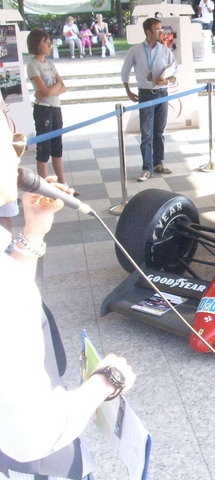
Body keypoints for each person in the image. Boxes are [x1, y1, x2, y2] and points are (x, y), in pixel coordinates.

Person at [0, 105, 136, 479]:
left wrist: (32, 234)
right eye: (8, 137)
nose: (20, 146)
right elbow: (32, 437)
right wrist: (106, 382)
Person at [121, 17, 177, 182]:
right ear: (148, 32)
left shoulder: (165, 51)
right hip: (145, 93)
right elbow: (125, 72)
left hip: (162, 93)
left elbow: (175, 74)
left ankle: (158, 162)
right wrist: (129, 92)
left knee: (159, 131)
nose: (161, 32)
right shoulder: (136, 50)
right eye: (158, 29)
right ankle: (147, 167)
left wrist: (165, 81)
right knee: (146, 133)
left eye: (161, 29)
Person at [26, 28, 77, 195]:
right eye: (45, 42)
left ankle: (62, 183)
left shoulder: (50, 64)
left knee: (57, 147)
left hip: (55, 108)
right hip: (43, 110)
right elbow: (45, 91)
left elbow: (63, 87)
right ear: (36, 45)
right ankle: (44, 188)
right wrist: (52, 89)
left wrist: (51, 90)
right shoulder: (33, 65)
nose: (48, 45)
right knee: (44, 149)